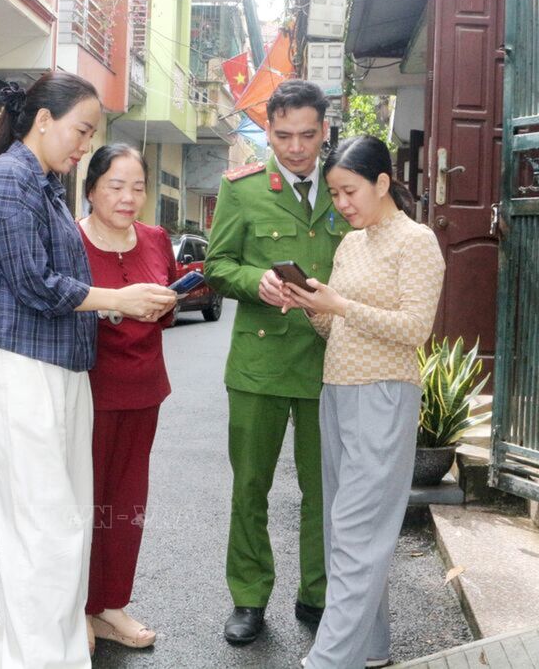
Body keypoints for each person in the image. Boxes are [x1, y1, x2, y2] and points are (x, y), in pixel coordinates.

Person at [0, 72, 177, 669]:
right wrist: (119, 299)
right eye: (81, 130)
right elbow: (33, 282)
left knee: (58, 527)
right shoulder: (9, 181)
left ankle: (39, 656)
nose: (84, 144)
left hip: (53, 365)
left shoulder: (40, 183)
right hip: (21, 368)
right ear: (43, 121)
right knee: (44, 529)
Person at [276, 135, 446, 668]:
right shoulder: (352, 244)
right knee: (344, 529)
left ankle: (329, 660)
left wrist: (342, 304)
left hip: (384, 396)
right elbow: (337, 330)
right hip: (339, 394)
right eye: (334, 193)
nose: (342, 203)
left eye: (350, 191)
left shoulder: (416, 242)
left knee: (355, 531)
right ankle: (371, 649)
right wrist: (311, 304)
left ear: (382, 182)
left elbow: (415, 330)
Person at [203, 79, 353, 645]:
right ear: (268, 131)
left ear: (324, 131)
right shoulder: (243, 188)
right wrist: (255, 281)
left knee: (324, 491)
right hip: (259, 364)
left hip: (328, 362)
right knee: (251, 486)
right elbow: (216, 266)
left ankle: (316, 595)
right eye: (283, 135)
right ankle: (247, 597)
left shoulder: (342, 188)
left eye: (307, 135)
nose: (295, 148)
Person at [76, 144, 177, 652]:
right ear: (91, 188)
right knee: (81, 502)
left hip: (143, 389)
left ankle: (111, 603)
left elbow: (169, 302)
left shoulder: (157, 239)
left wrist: (167, 302)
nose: (128, 196)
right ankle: (75, 608)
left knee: (125, 503)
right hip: (86, 391)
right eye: (115, 185)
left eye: (137, 186)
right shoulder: (69, 240)